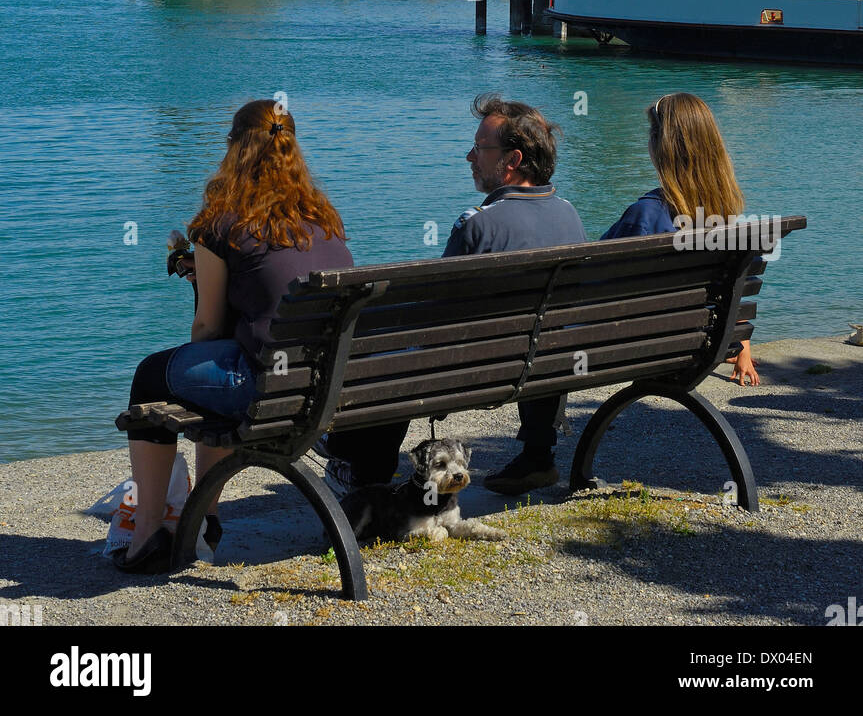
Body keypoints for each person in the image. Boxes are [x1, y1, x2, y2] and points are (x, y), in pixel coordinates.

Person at [116, 99, 352, 573]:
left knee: (151, 376)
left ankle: (145, 538)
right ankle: (206, 515)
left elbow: (206, 329)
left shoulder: (218, 223)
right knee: (215, 365)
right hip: (330, 383)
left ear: (234, 149)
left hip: (266, 389)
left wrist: (206, 292)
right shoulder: (325, 219)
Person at [322, 94, 588, 498]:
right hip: (542, 362)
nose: (469, 156)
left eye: (481, 149)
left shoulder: (479, 226)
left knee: (385, 348)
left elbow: (431, 320)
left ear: (513, 160)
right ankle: (538, 454)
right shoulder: (569, 215)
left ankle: (362, 472)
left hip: (468, 373)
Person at [602, 92, 759, 386]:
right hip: (703, 344)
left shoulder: (646, 215)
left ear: (662, 146)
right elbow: (737, 289)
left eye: (652, 133)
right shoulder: (730, 225)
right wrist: (742, 346)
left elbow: (599, 286)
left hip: (643, 347)